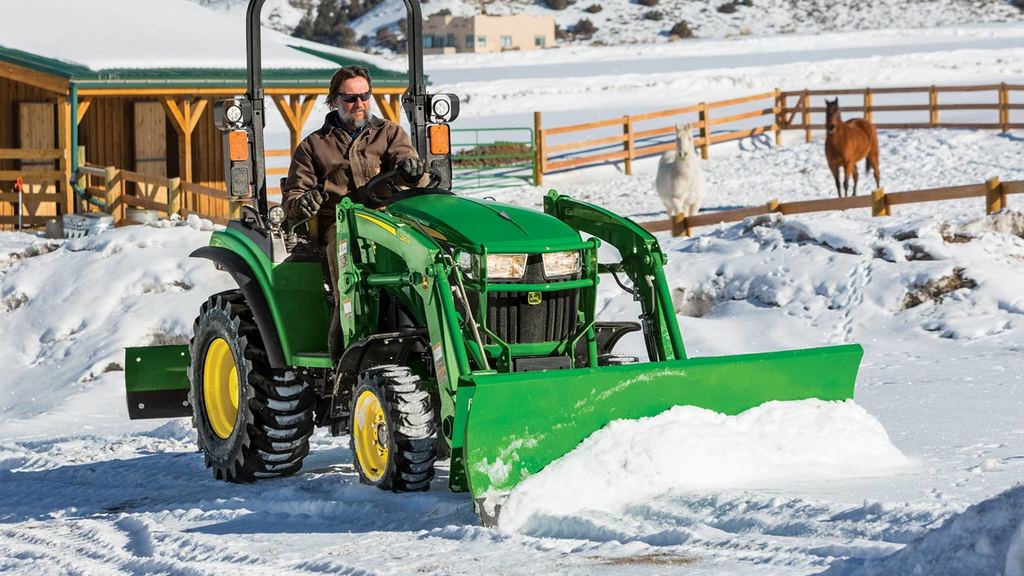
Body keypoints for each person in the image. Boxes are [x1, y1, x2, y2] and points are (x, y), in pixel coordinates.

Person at [281, 64, 428, 310]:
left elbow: (409, 168)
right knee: (345, 246)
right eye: (350, 98)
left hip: (387, 218)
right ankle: (348, 321)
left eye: (365, 96)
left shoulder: (389, 133)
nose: (359, 103)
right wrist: (304, 202)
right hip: (340, 225)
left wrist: (411, 173)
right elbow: (293, 197)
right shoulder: (313, 146)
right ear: (334, 101)